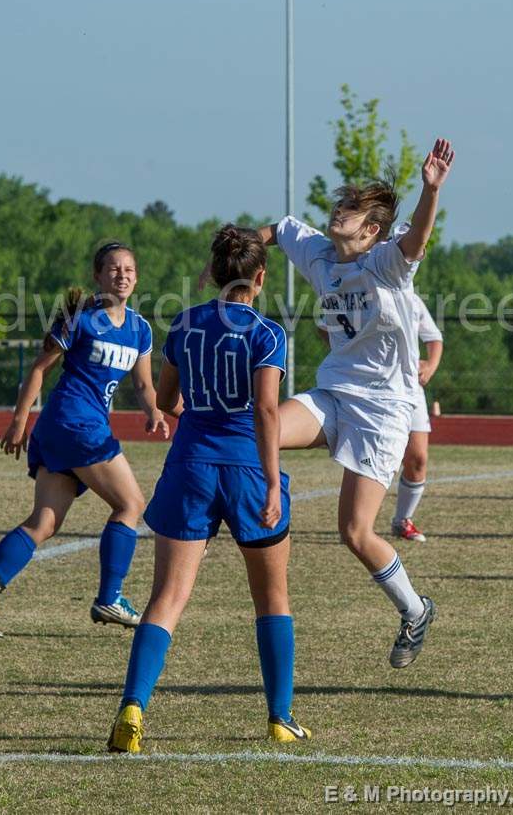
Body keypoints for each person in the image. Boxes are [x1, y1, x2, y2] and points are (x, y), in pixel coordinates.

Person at [220, 138, 454, 669]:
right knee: (260, 427)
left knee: (353, 532)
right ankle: (223, 518)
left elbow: (417, 236)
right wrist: (242, 249)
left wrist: (430, 189)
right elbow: (278, 230)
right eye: (339, 206)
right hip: (334, 392)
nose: (337, 213)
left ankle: (416, 610)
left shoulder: (387, 264)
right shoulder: (321, 254)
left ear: (371, 230)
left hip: (385, 410)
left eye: (349, 210)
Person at [107, 225, 311, 754]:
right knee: (272, 599)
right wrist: (271, 483)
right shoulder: (266, 333)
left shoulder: (185, 323)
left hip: (190, 465)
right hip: (245, 468)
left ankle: (133, 706)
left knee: (166, 599)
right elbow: (267, 410)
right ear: (260, 278)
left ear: (216, 273)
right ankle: (279, 716)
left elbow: (167, 398)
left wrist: (197, 414)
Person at [0, 242, 168, 638]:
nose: (122, 275)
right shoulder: (81, 319)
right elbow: (39, 369)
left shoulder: (140, 328)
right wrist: (19, 420)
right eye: (114, 269)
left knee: (45, 522)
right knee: (131, 504)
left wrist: (153, 410)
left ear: (137, 278)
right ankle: (110, 597)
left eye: (130, 270)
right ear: (97, 275)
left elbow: (143, 385)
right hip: (73, 424)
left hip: (71, 430)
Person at [391, 298, 443, 542]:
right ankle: (356, 524)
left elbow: (434, 337)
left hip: (410, 388)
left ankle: (403, 520)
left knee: (418, 458)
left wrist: (430, 366)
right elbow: (324, 327)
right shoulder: (360, 288)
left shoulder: (411, 299)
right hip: (370, 387)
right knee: (366, 458)